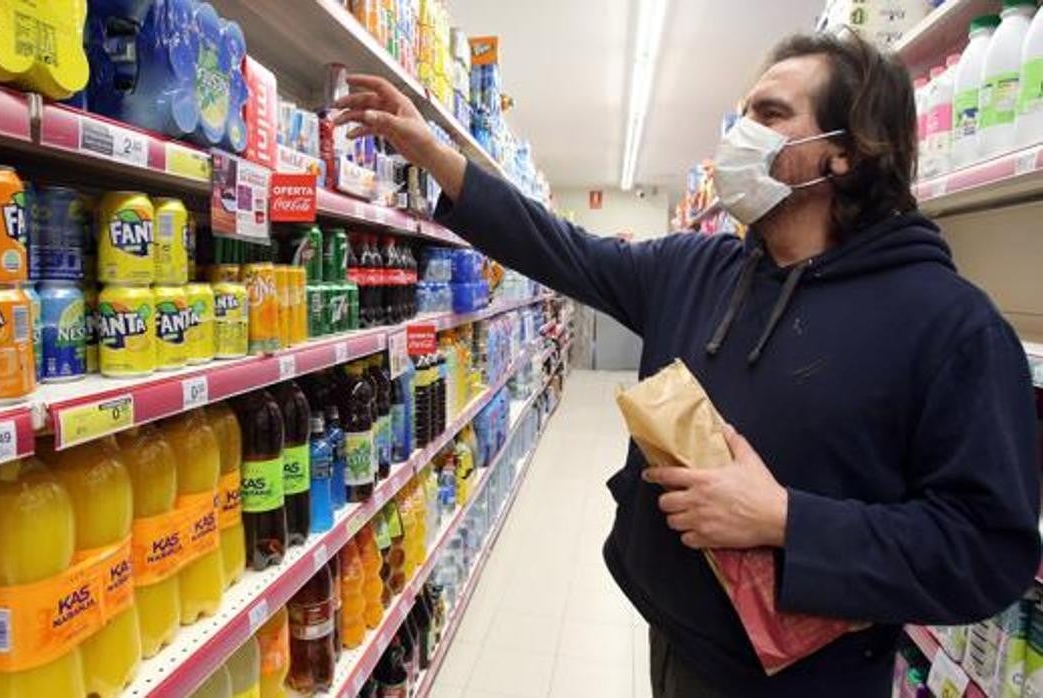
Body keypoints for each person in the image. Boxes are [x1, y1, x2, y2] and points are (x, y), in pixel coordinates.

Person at [335, 32, 1042, 697]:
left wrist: (789, 520)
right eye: (742, 115)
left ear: (846, 152)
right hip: (672, 638)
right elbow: (565, 250)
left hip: (804, 681)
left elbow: (987, 551)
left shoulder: (949, 326)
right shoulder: (698, 268)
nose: (741, 136)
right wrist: (433, 152)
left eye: (769, 114)